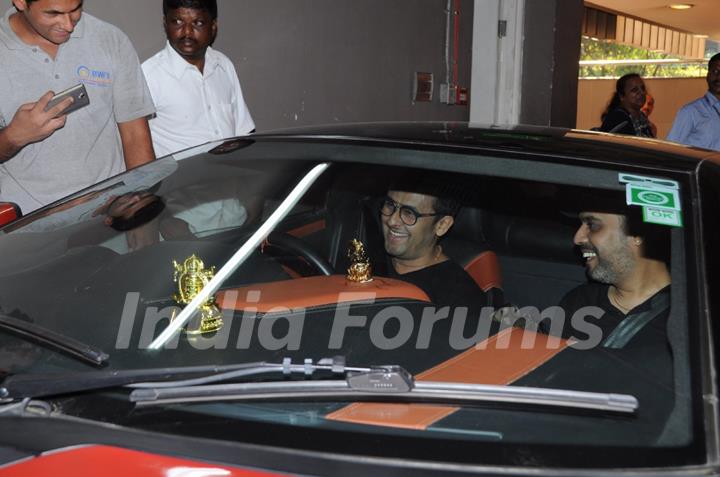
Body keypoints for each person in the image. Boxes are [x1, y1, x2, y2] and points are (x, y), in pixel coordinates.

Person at [0, 0, 155, 214]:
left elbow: (135, 137)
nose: (68, 25)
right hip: (28, 229)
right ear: (20, 2)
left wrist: (140, 213)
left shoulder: (110, 39)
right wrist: (13, 137)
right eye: (52, 13)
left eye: (75, 9)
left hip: (109, 216)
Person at [142, 0, 255, 159]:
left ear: (213, 26)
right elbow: (135, 147)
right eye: (177, 22)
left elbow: (244, 132)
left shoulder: (223, 65)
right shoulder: (148, 75)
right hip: (179, 182)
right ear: (165, 23)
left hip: (230, 178)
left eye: (198, 23)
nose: (187, 32)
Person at [380, 182, 490, 314]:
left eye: (409, 213)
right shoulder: (363, 253)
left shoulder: (460, 300)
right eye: (390, 205)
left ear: (442, 225)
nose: (392, 221)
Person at [667, 53, 720, 151]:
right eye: (715, 71)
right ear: (708, 76)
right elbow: (670, 149)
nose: (718, 77)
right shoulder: (690, 112)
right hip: (701, 166)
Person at [599, 73, 655, 137]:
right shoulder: (617, 119)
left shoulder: (642, 118)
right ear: (622, 96)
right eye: (634, 90)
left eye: (643, 88)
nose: (642, 93)